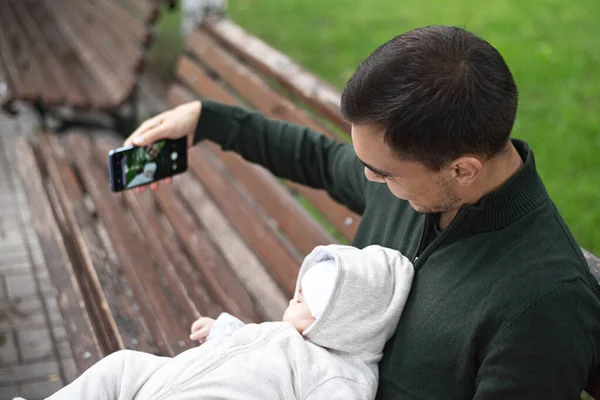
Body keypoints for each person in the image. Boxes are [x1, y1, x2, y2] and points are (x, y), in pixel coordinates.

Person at [121, 25, 600, 399]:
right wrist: (206, 122)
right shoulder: (416, 187)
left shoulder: (544, 304)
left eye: (384, 171)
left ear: (463, 171)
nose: (368, 179)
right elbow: (321, 158)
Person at [34, 245, 415, 400]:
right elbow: (250, 354)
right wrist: (224, 331)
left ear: (340, 321)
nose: (291, 298)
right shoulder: (300, 335)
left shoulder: (339, 377)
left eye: (302, 299)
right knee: (121, 365)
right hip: (165, 379)